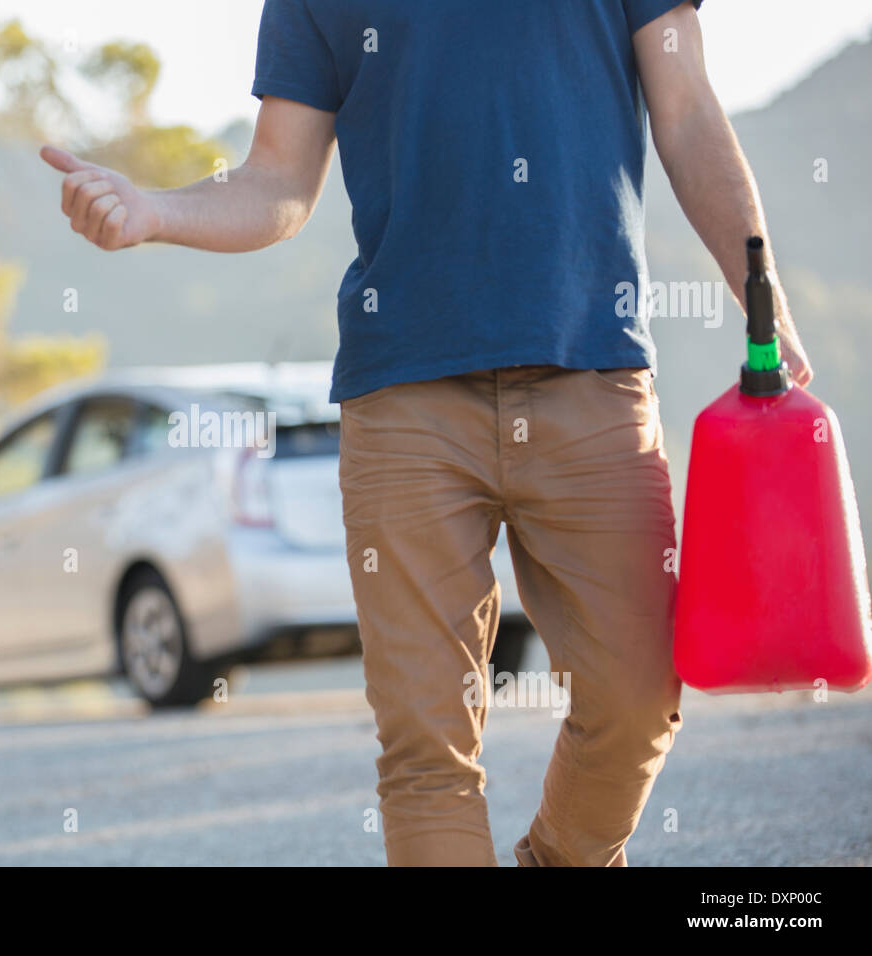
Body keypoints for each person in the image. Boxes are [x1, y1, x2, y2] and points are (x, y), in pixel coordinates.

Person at [40, 0, 813, 866]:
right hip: (404, 397)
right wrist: (155, 211)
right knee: (426, 749)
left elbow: (688, 109)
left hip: (591, 374)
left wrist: (759, 286)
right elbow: (279, 182)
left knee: (637, 699)